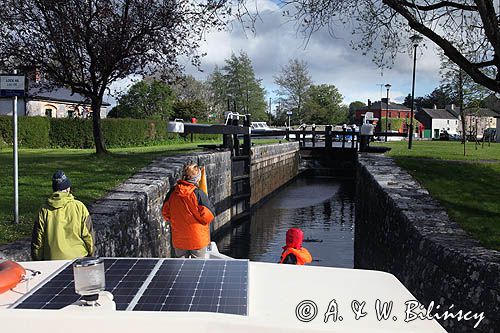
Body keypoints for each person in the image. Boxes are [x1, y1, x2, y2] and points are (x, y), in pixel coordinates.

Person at [31, 170, 94, 261]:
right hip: (78, 258)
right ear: (68, 188)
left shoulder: (44, 210)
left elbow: (37, 240)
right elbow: (89, 236)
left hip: (52, 260)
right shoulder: (79, 207)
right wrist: (91, 254)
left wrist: (38, 260)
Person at [162, 163, 215, 258]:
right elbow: (208, 216)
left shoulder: (173, 192)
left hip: (179, 238)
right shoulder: (198, 194)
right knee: (197, 269)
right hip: (197, 238)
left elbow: (165, 213)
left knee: (181, 267)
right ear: (197, 179)